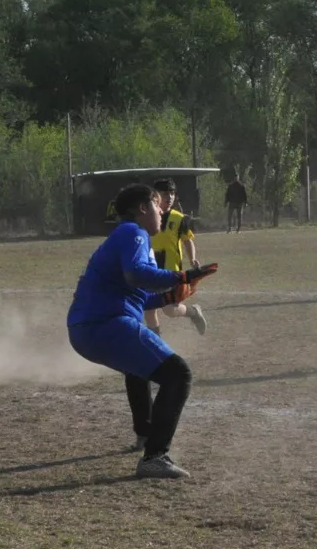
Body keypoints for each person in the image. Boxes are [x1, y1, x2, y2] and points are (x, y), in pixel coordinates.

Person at [67, 184, 218, 478]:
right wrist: (182, 276)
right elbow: (136, 275)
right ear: (142, 209)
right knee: (178, 374)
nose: (162, 211)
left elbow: (137, 293)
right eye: (157, 205)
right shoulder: (132, 233)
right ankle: (155, 456)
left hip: (90, 326)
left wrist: (170, 297)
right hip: (105, 323)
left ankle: (146, 435)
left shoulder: (130, 237)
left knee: (142, 370)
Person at [145, 179, 207, 337]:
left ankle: (193, 312)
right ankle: (156, 343)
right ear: (155, 195)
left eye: (172, 193)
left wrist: (192, 258)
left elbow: (188, 241)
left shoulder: (179, 218)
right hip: (149, 270)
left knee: (170, 310)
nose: (170, 197)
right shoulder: (145, 217)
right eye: (166, 193)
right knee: (148, 309)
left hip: (170, 271)